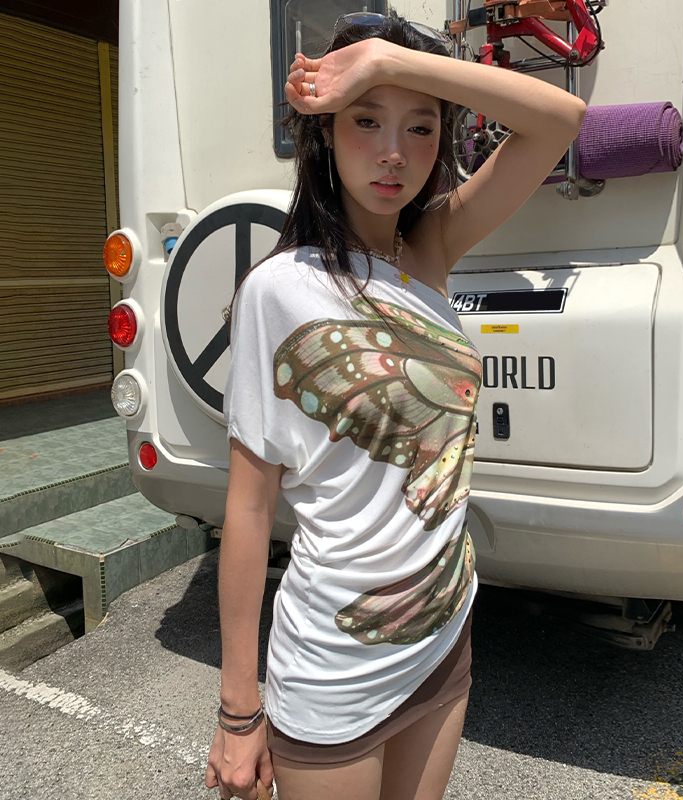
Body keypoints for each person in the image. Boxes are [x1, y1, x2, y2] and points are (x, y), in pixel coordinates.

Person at [204, 9, 585, 800]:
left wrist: (386, 63)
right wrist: (239, 708)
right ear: (324, 133)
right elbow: (248, 507)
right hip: (336, 662)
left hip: (443, 632)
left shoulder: (431, 246)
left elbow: (559, 119)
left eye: (420, 129)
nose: (393, 153)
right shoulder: (280, 288)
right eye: (366, 120)